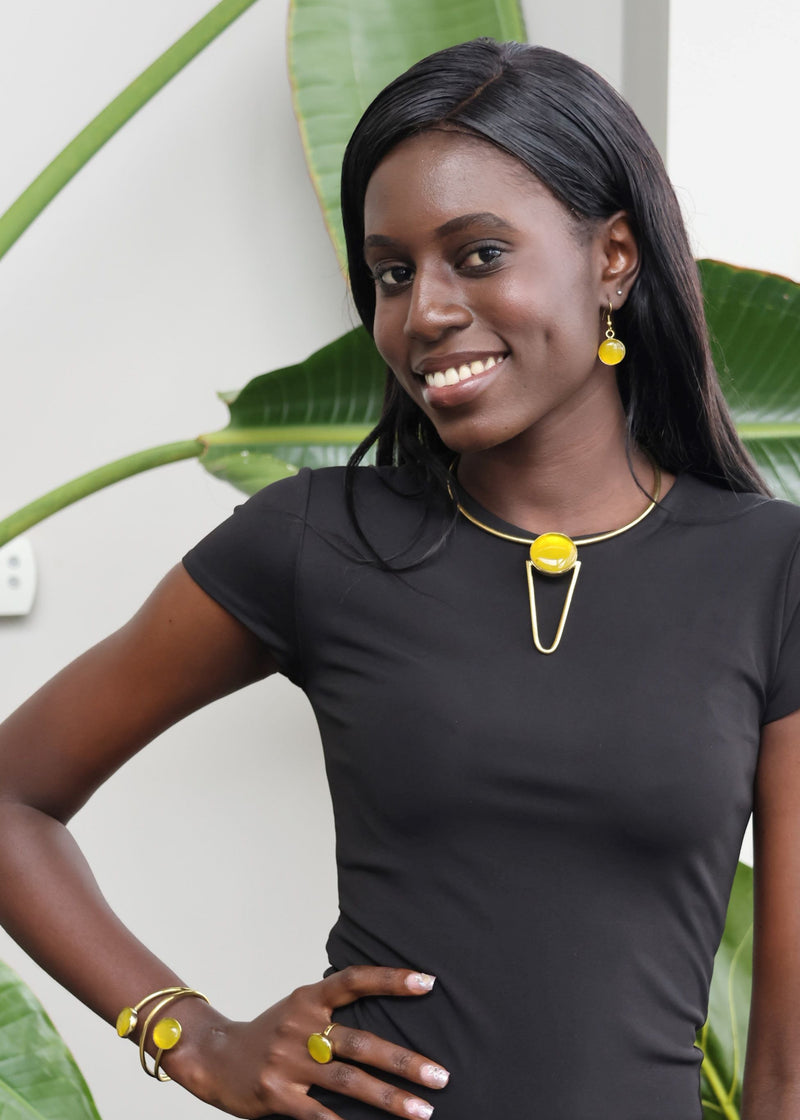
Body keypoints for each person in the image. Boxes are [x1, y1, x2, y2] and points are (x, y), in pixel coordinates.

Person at [1, 36, 799, 1120]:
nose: (423, 311)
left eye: (478, 254)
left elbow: (786, 1070)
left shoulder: (768, 570)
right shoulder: (315, 540)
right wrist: (190, 1035)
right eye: (391, 273)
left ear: (612, 257)